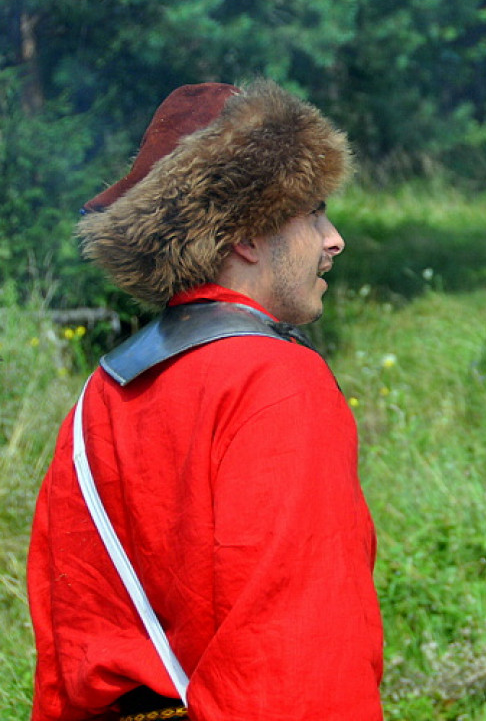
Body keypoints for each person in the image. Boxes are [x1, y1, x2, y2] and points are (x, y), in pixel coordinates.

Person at [27, 81, 384, 720]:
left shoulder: (100, 394)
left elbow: (70, 645)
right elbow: (295, 655)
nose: (333, 239)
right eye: (313, 213)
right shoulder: (276, 380)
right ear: (246, 235)